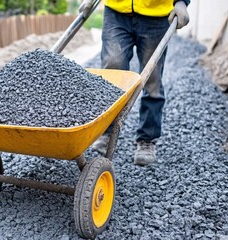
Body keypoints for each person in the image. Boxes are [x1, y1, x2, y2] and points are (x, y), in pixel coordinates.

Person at [79, 0, 190, 165]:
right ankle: (106, 132)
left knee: (152, 80)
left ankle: (147, 139)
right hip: (117, 11)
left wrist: (181, 2)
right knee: (112, 69)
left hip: (156, 14)